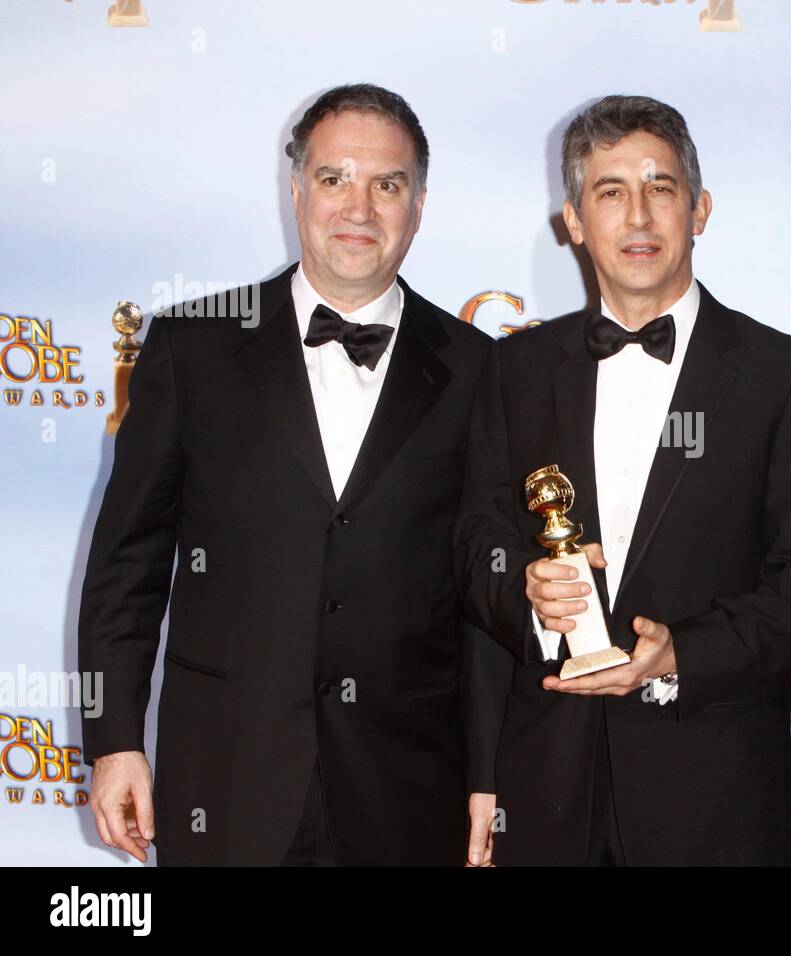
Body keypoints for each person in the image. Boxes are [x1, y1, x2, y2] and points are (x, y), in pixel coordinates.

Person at [79, 83, 492, 865]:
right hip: (226, 779)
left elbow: (483, 600)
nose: (359, 208)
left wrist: (490, 775)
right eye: (334, 178)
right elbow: (125, 564)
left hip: (409, 790)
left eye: (387, 184)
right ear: (296, 188)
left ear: (420, 203)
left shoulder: (479, 371)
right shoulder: (191, 347)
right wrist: (114, 741)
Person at [455, 94, 791, 865]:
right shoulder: (513, 372)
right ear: (573, 219)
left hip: (715, 797)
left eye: (660, 188)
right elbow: (478, 549)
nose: (638, 217)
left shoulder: (788, 378)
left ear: (699, 210)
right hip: (545, 794)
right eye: (610, 193)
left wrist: (683, 653)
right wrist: (528, 593)